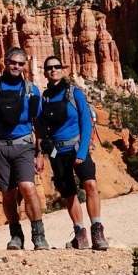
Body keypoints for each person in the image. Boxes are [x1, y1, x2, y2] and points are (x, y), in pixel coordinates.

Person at [0, 47, 48, 250]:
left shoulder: (32, 90)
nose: (16, 66)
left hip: (23, 145)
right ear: (5, 62)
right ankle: (16, 236)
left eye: (21, 63)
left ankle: (38, 235)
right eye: (13, 62)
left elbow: (39, 124)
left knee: (28, 188)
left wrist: (40, 153)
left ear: (25, 66)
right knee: (8, 193)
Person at [36, 55, 109, 250]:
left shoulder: (74, 93)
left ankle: (97, 230)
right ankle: (80, 234)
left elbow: (86, 122)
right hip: (57, 152)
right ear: (45, 72)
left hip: (77, 147)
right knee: (69, 193)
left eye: (57, 67)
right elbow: (41, 126)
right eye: (49, 68)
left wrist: (82, 151)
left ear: (63, 70)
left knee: (90, 185)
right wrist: (42, 150)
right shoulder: (44, 98)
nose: (54, 70)